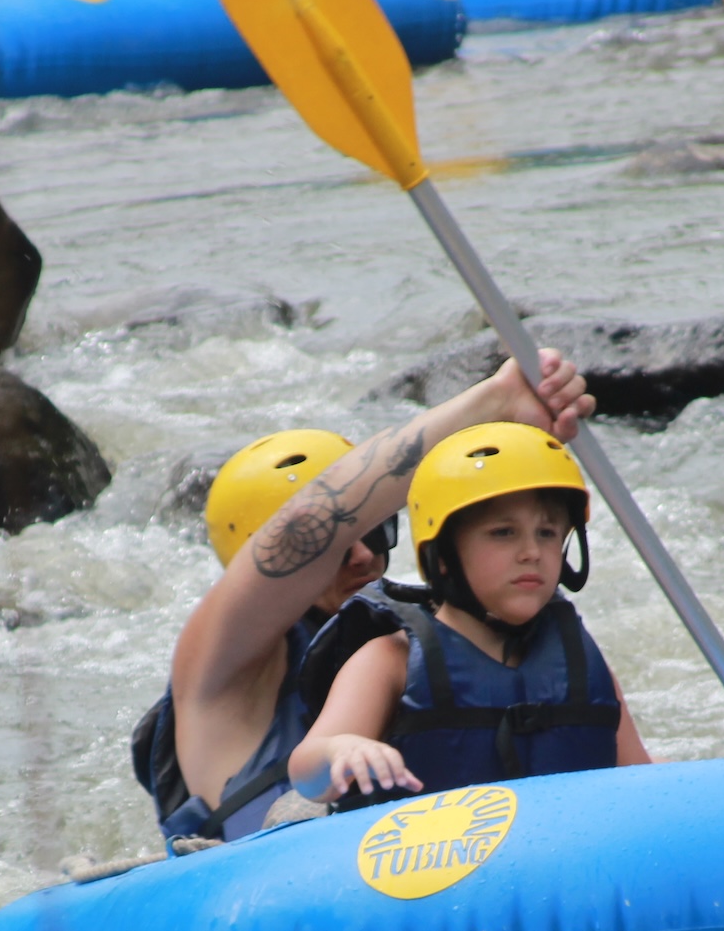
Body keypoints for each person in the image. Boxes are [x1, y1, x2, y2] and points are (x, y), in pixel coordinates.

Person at [140, 352, 596, 845]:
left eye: (376, 530)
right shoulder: (217, 670)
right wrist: (494, 401)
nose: (361, 556)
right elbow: (313, 525)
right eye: (336, 550)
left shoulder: (425, 643)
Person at [290, 424, 648, 808]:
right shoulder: (388, 660)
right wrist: (340, 750)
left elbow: (640, 778)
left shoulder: (580, 663)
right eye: (503, 533)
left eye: (546, 533)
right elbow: (306, 772)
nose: (532, 552)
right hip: (426, 860)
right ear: (442, 556)